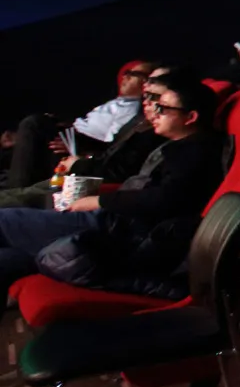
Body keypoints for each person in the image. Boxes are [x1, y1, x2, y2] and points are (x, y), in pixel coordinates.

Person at [0, 75, 224, 287]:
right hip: (115, 219)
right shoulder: (177, 145)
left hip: (117, 231)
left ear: (191, 117)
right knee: (9, 258)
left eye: (162, 108)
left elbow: (165, 199)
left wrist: (98, 201)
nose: (153, 112)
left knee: (3, 219)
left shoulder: (196, 152)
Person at [0, 66, 173, 208]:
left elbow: (121, 171)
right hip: (88, 167)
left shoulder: (155, 134)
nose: (147, 96)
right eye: (148, 87)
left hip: (90, 182)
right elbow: (113, 151)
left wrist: (79, 161)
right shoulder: (140, 122)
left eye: (153, 92)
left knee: (34, 125)